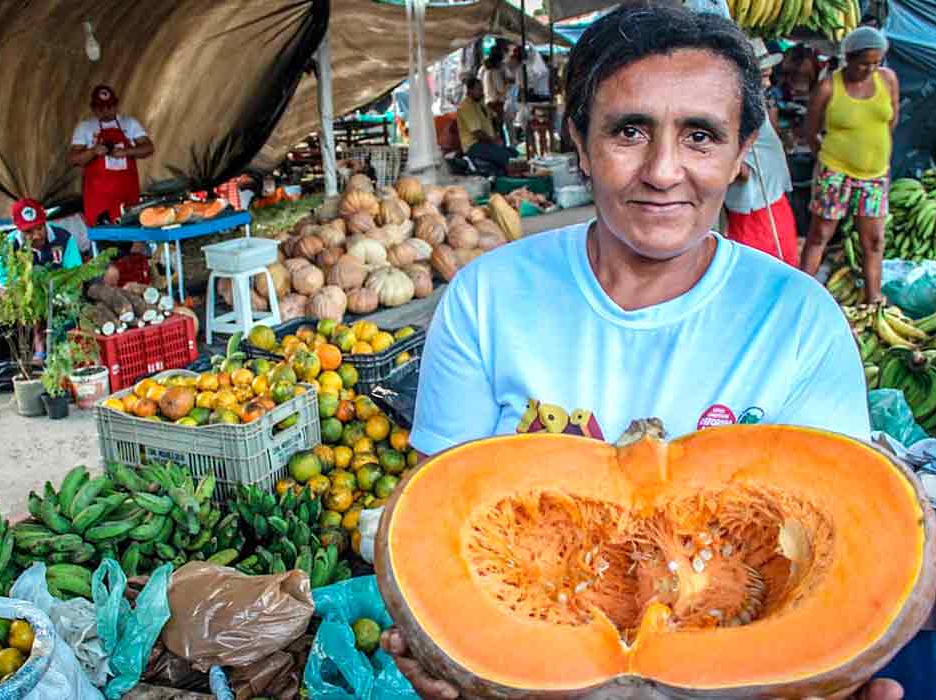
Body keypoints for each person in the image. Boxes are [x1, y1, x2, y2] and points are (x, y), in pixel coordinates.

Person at [381, 5, 903, 700]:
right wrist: (446, 642)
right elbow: (438, 531)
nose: (663, 171)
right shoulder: (487, 297)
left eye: (701, 136)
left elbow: (835, 549)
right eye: (630, 130)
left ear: (743, 152)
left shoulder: (800, 320)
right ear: (580, 140)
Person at [798, 27, 898, 303]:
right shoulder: (830, 87)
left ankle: (873, 298)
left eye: (876, 62)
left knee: (873, 241)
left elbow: (892, 119)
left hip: (874, 175)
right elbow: (811, 131)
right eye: (864, 63)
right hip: (836, 173)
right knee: (820, 235)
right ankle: (801, 295)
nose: (870, 69)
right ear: (849, 58)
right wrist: (830, 159)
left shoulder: (888, 80)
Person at [723, 39, 798, 265]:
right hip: (753, 203)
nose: (768, 79)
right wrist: (743, 171)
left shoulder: (757, 100)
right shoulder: (735, 104)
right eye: (763, 74)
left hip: (771, 196)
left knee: (782, 256)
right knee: (758, 264)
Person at [0, 198, 82, 363]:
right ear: (18, 229)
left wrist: (67, 301)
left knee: (65, 324)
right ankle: (39, 346)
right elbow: (5, 287)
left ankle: (64, 345)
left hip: (60, 294)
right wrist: (21, 309)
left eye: (40, 228)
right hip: (30, 300)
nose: (37, 235)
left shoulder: (63, 238)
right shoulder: (8, 246)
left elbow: (76, 276)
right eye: (29, 232)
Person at [68, 85, 155, 227]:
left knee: (132, 234)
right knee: (104, 239)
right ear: (93, 108)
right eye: (100, 108)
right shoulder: (85, 127)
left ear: (116, 105)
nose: (106, 111)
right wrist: (93, 151)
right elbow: (73, 159)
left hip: (127, 196)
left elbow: (149, 148)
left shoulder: (129, 123)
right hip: (98, 199)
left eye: (110, 106)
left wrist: (127, 152)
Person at [456, 76, 516, 175]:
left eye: (482, 89)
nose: (482, 92)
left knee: (513, 153)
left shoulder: (480, 104)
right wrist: (494, 141)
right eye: (479, 90)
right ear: (469, 90)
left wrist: (497, 128)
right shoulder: (466, 107)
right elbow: (477, 133)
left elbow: (494, 116)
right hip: (473, 146)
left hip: (486, 142)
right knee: (506, 157)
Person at [478, 47, 510, 138]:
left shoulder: (484, 70)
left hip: (488, 101)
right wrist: (506, 84)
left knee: (493, 127)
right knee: (498, 128)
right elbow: (500, 89)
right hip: (497, 103)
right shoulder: (495, 72)